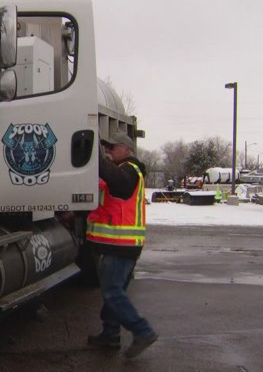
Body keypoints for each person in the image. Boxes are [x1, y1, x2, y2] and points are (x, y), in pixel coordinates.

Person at [86, 132, 158, 358]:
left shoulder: (130, 170)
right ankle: (110, 335)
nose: (109, 150)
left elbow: (120, 186)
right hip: (115, 244)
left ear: (126, 149)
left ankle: (143, 331)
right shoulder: (119, 171)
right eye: (106, 147)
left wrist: (97, 159)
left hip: (121, 245)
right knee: (114, 292)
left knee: (112, 291)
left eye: (112, 147)